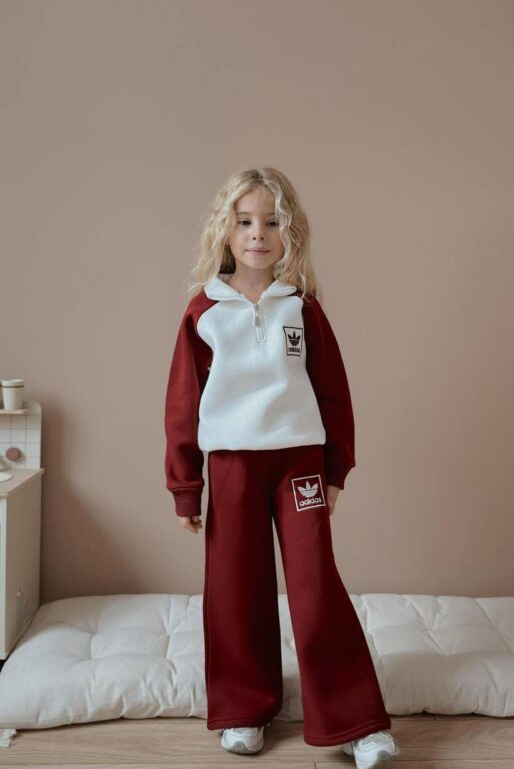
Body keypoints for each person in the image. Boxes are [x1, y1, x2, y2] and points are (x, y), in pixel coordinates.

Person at [163, 167, 401, 768]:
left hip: (299, 465)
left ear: (289, 233)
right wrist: (186, 487)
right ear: (225, 230)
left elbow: (333, 392)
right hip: (233, 467)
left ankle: (357, 723)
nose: (257, 234)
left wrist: (335, 469)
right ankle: (243, 709)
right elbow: (183, 404)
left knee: (316, 588)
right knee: (234, 587)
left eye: (271, 222)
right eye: (244, 221)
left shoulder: (302, 307)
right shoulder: (203, 312)